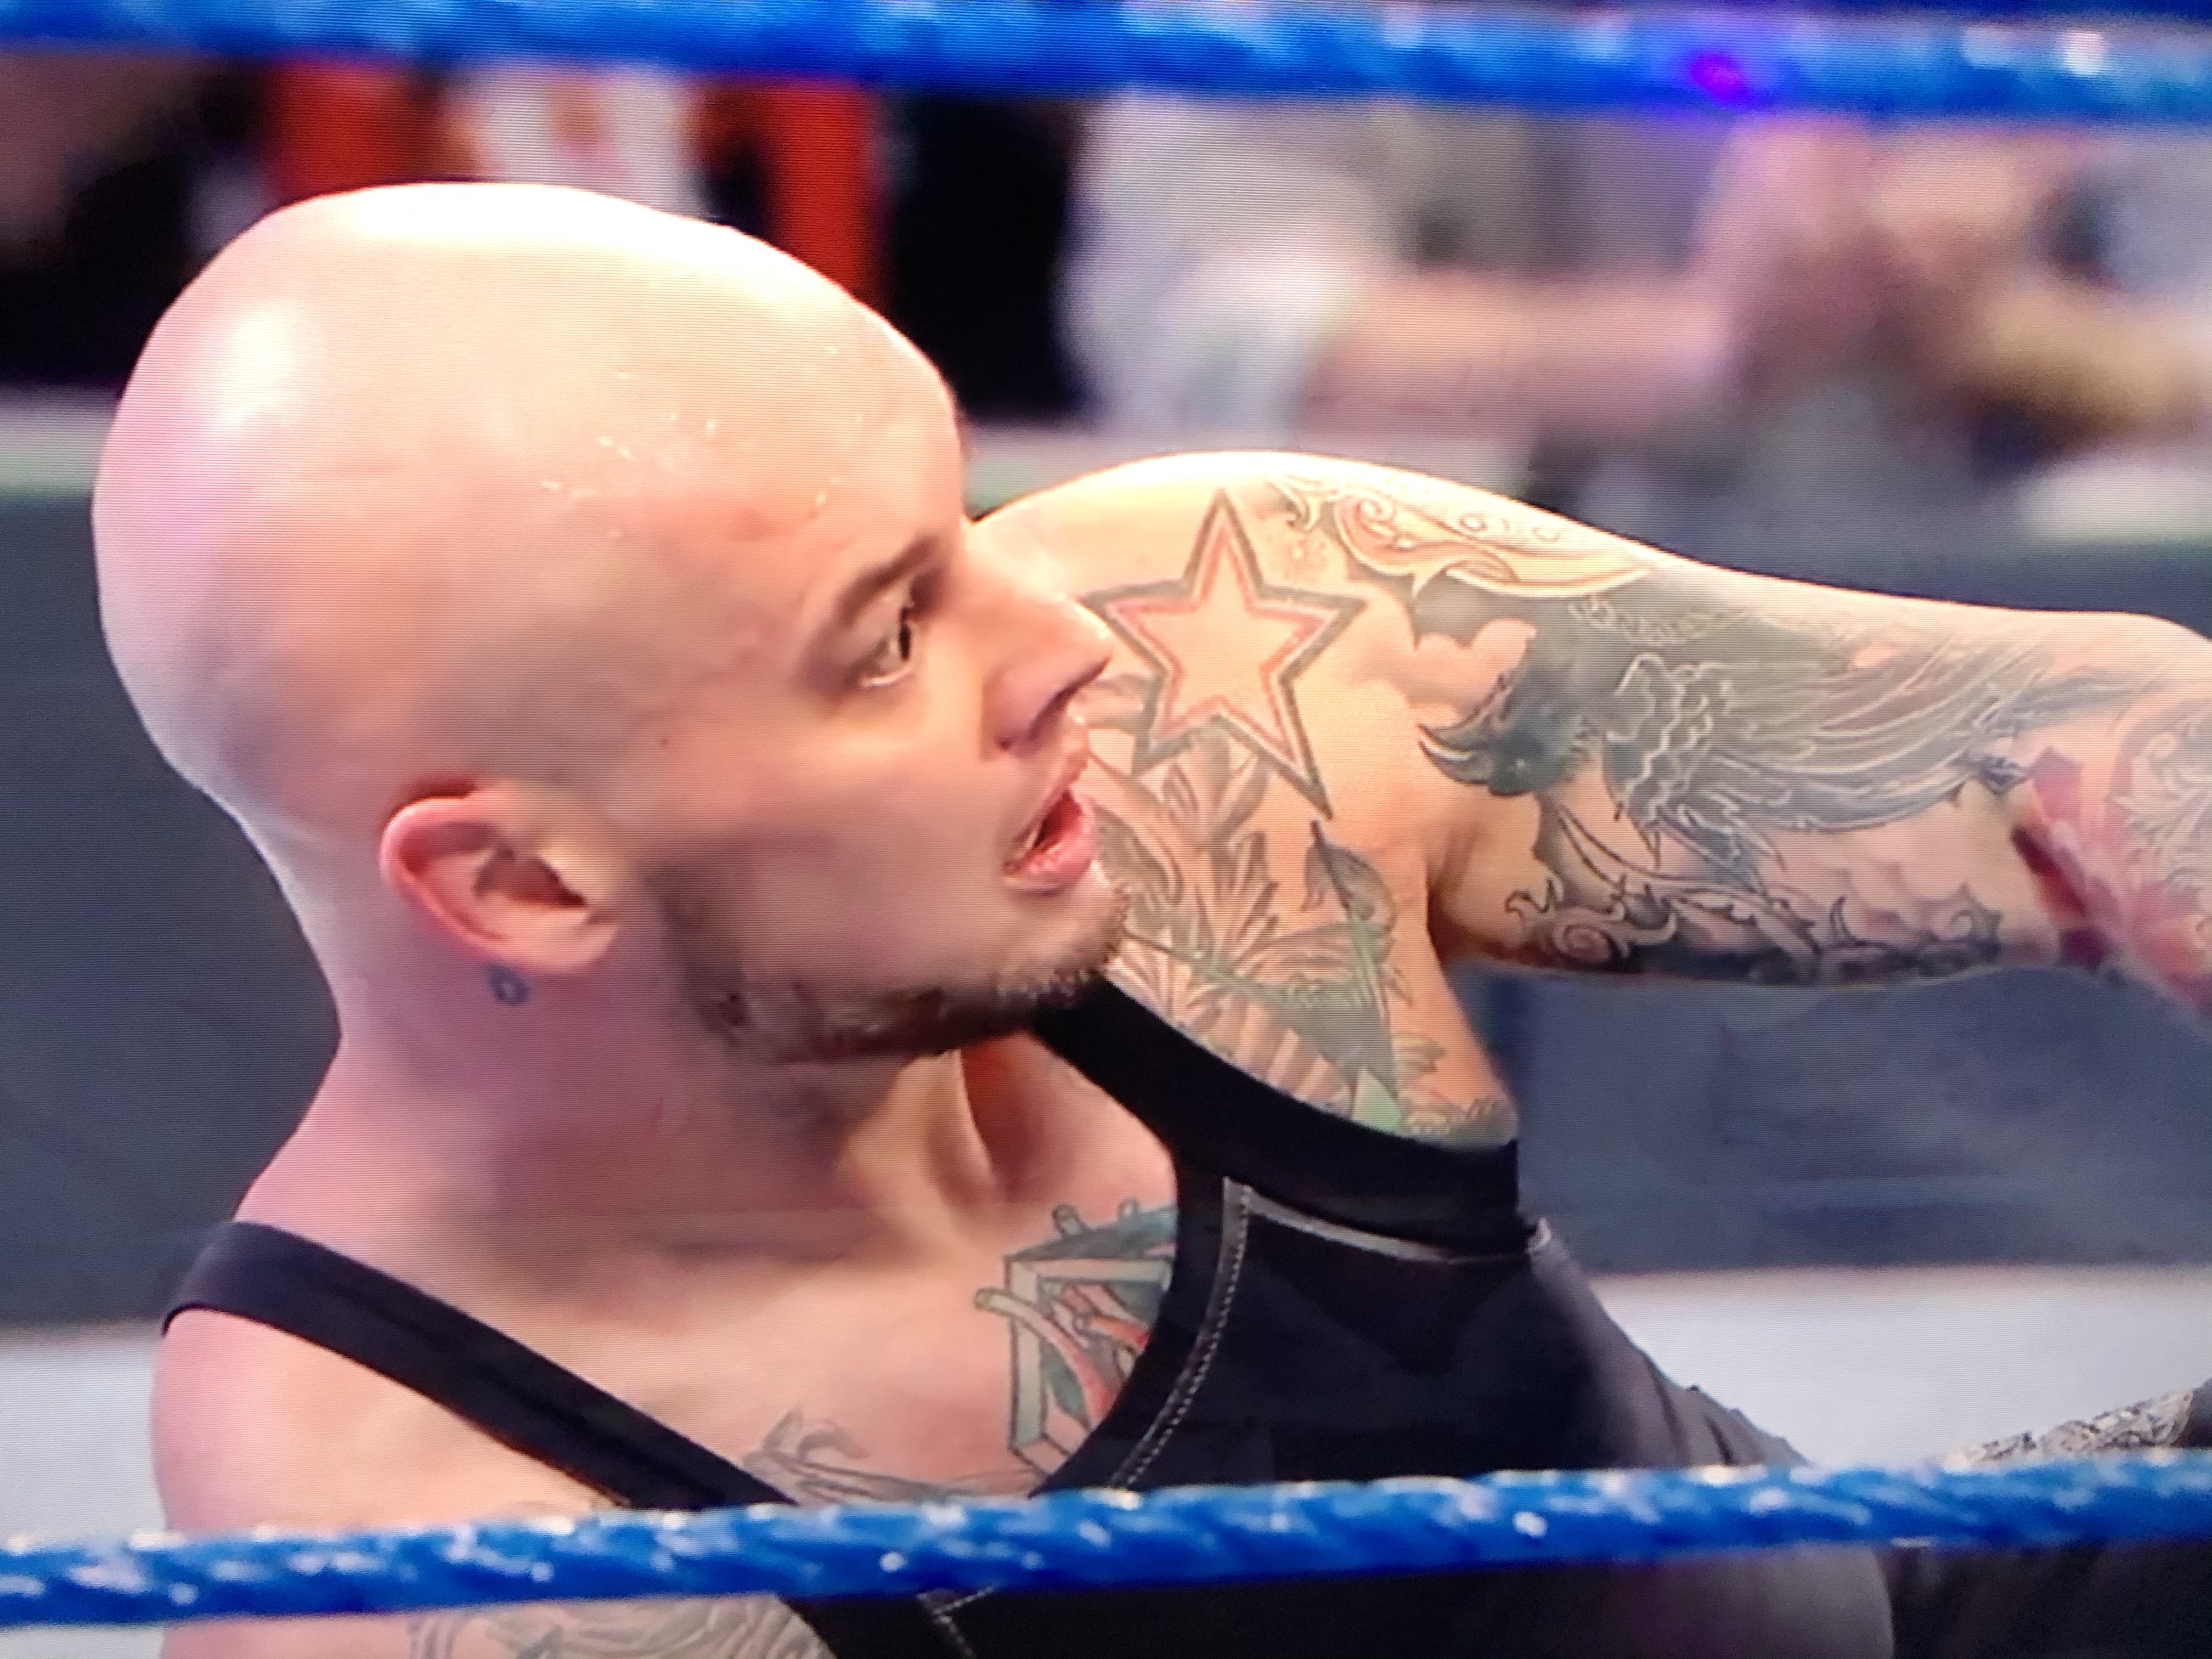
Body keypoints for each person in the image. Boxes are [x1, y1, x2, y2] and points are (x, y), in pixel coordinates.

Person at [99, 182, 2210, 1659]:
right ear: (525, 881)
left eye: (963, 524)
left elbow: (2078, 751)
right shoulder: (430, 1542)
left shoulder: (1224, 644)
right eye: (886, 640)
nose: (1058, 646)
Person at [1065, 101, 2212, 572]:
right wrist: (1702, 344)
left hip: (2051, 654)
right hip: (1495, 680)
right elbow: (1196, 330)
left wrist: (2009, 333)